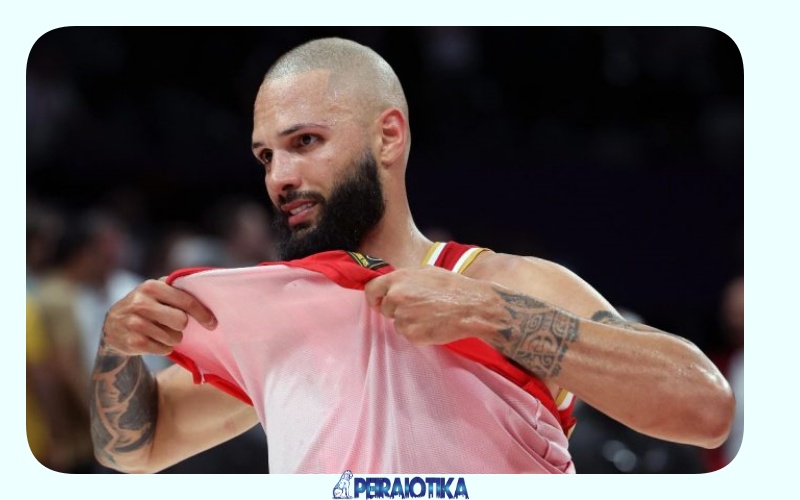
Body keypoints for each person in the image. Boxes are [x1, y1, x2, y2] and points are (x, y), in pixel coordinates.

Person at [90, 37, 735, 474]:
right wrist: (118, 346)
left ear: (388, 136)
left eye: (305, 141)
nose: (279, 177)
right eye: (266, 156)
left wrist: (491, 315)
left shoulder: (497, 281)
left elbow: (706, 409)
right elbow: (135, 449)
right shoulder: (279, 319)